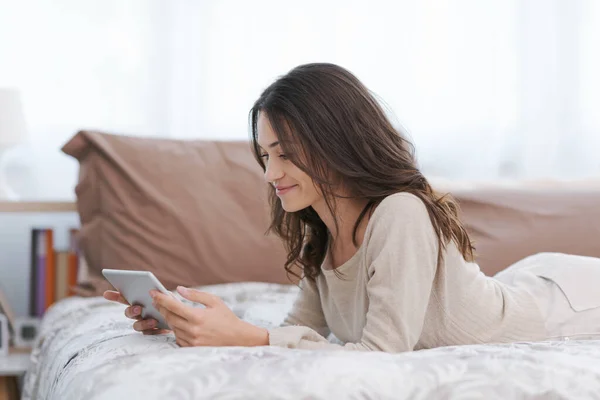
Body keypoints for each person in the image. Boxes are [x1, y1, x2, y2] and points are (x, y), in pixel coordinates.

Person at [104, 63, 600, 352]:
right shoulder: (320, 235)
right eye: (265, 155)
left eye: (286, 154)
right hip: (527, 283)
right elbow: (299, 334)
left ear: (336, 141)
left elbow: (381, 355)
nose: (270, 174)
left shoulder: (401, 213)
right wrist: (193, 322)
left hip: (568, 306)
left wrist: (247, 338)